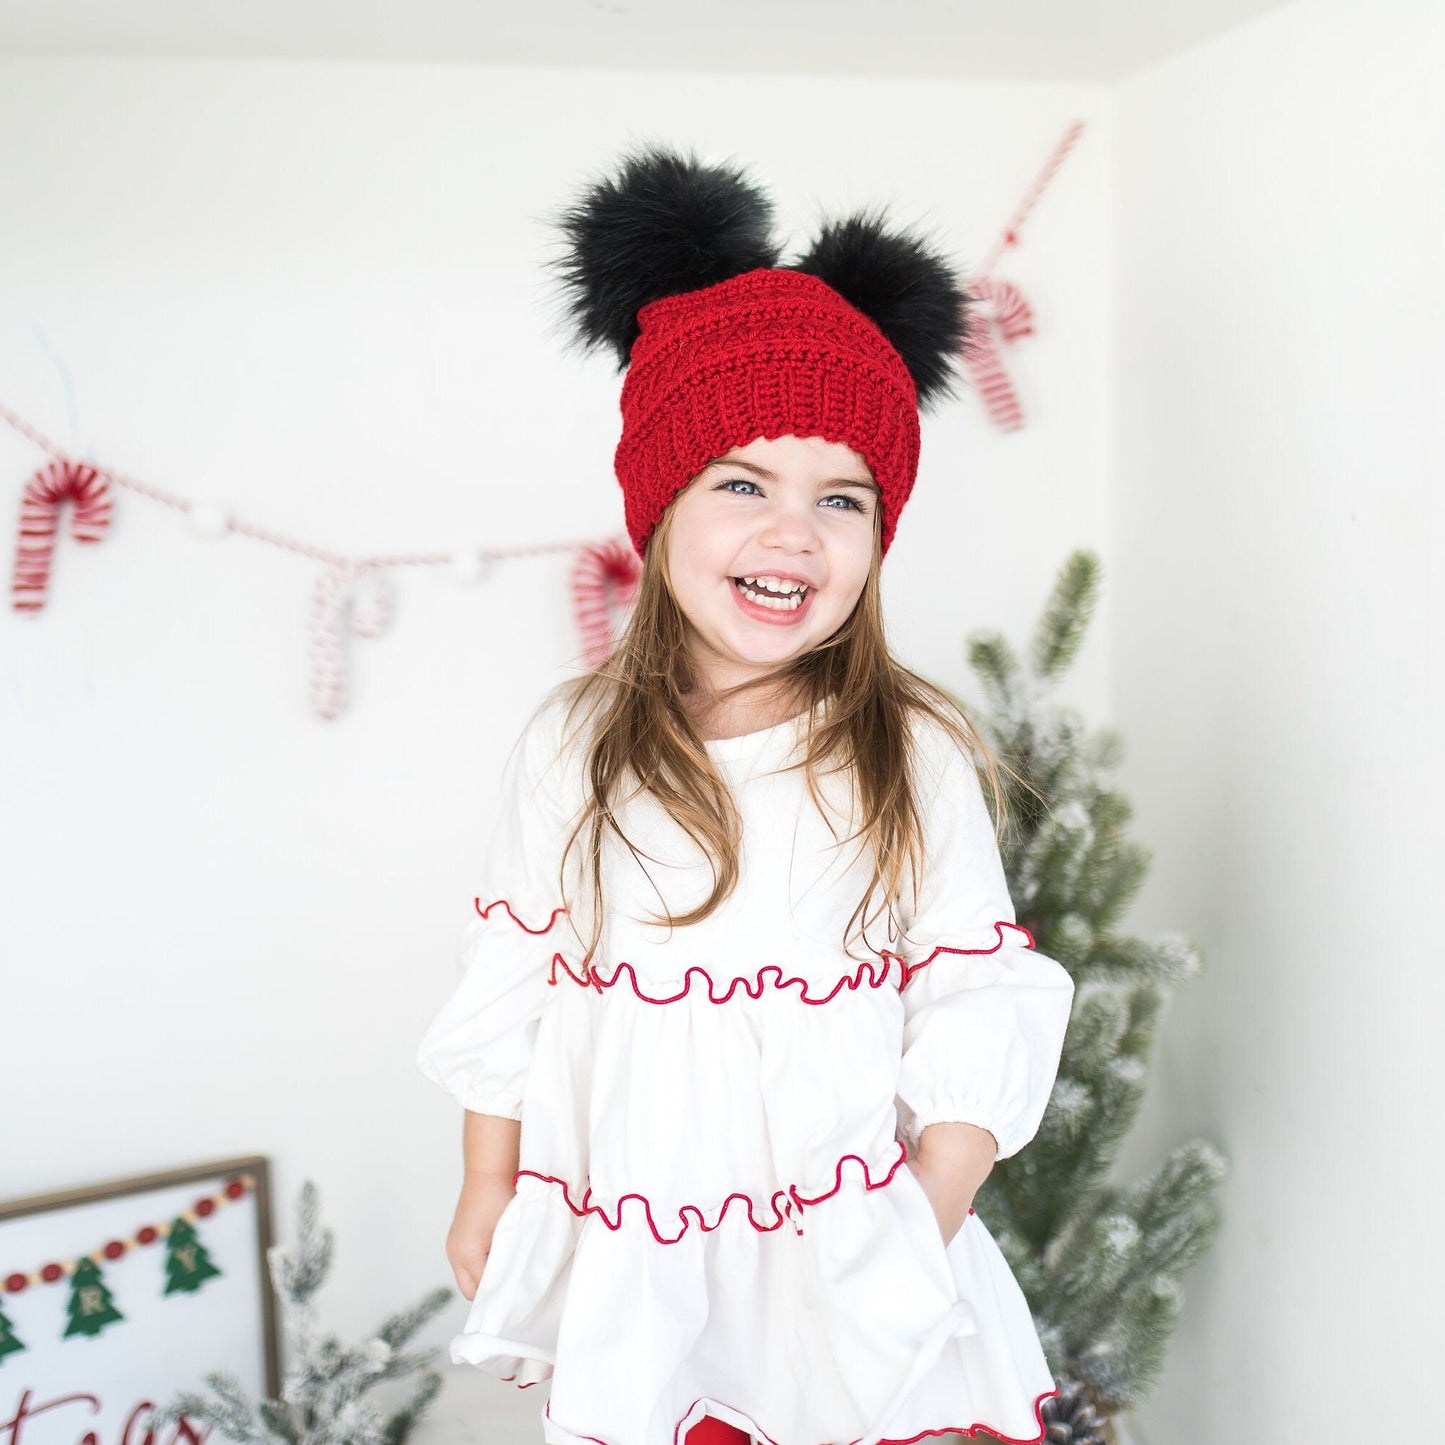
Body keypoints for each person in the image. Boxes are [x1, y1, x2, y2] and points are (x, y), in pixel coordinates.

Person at [416, 143, 1077, 1445]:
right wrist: (486, 1180)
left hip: (853, 1260)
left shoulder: (909, 750)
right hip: (649, 1265)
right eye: (742, 483)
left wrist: (913, 1221)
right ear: (657, 515)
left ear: (875, 540)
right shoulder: (577, 746)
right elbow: (515, 976)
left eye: (842, 497)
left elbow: (975, 991)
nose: (794, 531)